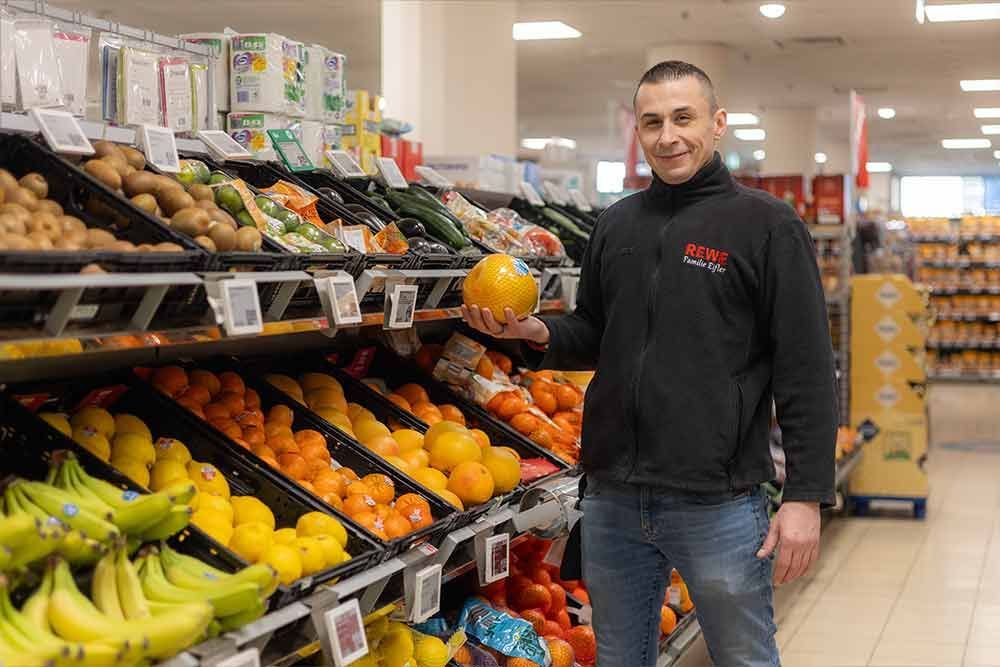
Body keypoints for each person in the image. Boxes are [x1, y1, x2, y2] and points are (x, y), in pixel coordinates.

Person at [462, 60, 837, 667]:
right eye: (653, 122)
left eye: (684, 118)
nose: (669, 136)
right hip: (613, 495)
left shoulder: (767, 226)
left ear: (718, 124)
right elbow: (594, 331)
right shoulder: (618, 222)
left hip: (717, 498)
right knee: (618, 657)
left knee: (744, 657)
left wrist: (806, 495)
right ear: (638, 131)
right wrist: (534, 331)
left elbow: (806, 369)